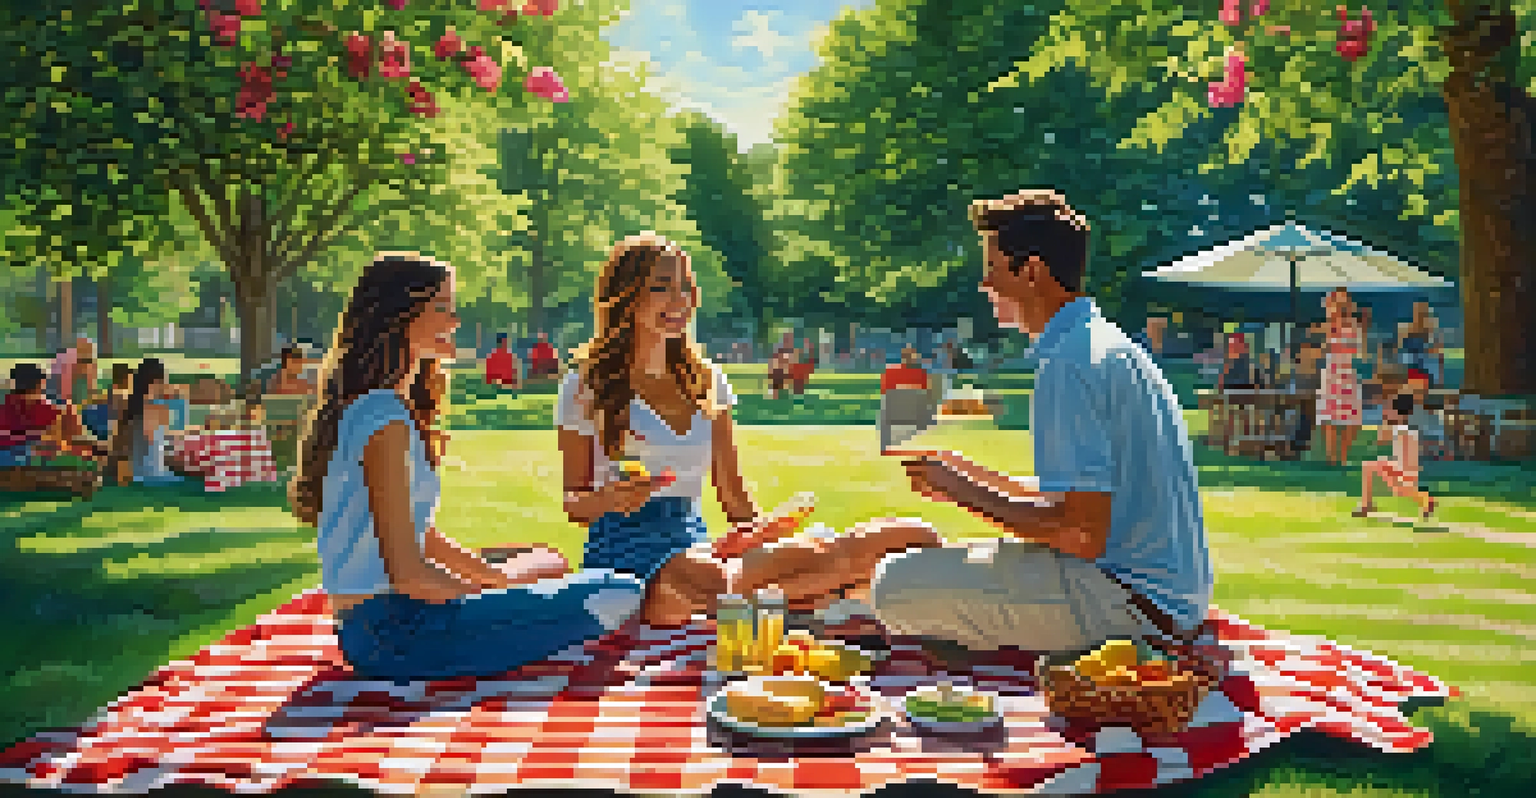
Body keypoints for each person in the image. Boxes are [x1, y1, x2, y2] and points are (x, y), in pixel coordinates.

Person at [871, 189, 1213, 657]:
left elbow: (1079, 534)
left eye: (992, 269)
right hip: (1167, 597)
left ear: (1030, 271)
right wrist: (966, 473)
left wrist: (958, 491)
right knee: (932, 566)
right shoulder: (1104, 344)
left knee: (893, 585)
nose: (984, 285)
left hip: (1130, 606)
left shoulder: (1068, 363)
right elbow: (1082, 497)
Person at [287, 252, 646, 684]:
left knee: (549, 560)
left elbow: (423, 536)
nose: (455, 320)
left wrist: (496, 578)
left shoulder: (380, 409)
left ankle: (519, 595)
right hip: (397, 634)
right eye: (442, 307)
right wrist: (498, 594)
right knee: (618, 592)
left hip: (380, 629)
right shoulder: (384, 420)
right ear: (398, 317)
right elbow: (409, 576)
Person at [557, 233, 940, 626]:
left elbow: (734, 499)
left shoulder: (707, 382)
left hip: (699, 549)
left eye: (686, 288)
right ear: (626, 296)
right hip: (628, 556)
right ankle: (828, 606)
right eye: (661, 288)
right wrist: (611, 499)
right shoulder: (586, 386)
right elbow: (575, 502)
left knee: (910, 535)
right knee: (716, 580)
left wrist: (764, 533)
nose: (679, 301)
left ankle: (811, 600)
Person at [1354, 392, 1435, 519]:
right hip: (1404, 468)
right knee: (1369, 466)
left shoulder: (1399, 429)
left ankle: (1425, 498)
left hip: (1403, 471)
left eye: (1390, 409)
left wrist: (1385, 420)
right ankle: (1366, 505)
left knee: (1399, 489)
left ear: (1397, 412)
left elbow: (1380, 440)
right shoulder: (1408, 429)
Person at [108, 358, 184, 485]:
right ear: (156, 382)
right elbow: (161, 441)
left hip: (134, 471)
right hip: (151, 473)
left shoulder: (130, 406)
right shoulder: (156, 407)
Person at [1319, 288, 1364, 466]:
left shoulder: (1353, 324)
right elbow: (1326, 346)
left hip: (1346, 372)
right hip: (1332, 372)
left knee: (1351, 420)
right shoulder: (1329, 324)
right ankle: (1332, 457)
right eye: (1337, 302)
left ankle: (1343, 456)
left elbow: (1358, 350)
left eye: (1343, 302)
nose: (1340, 306)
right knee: (1329, 417)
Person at [0, 363, 66, 467]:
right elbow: (56, 443)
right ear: (39, 385)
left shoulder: (4, 408)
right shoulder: (49, 411)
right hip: (39, 465)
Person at [1397, 302, 1443, 388]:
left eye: (1424, 314)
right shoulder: (1405, 329)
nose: (1421, 317)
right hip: (1411, 369)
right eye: (1419, 313)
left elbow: (1437, 357)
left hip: (1424, 370)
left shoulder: (1432, 332)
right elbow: (1401, 354)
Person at [49, 337, 99, 407]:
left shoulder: (90, 365)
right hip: (62, 398)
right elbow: (63, 388)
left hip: (74, 398)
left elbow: (91, 387)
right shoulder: (66, 360)